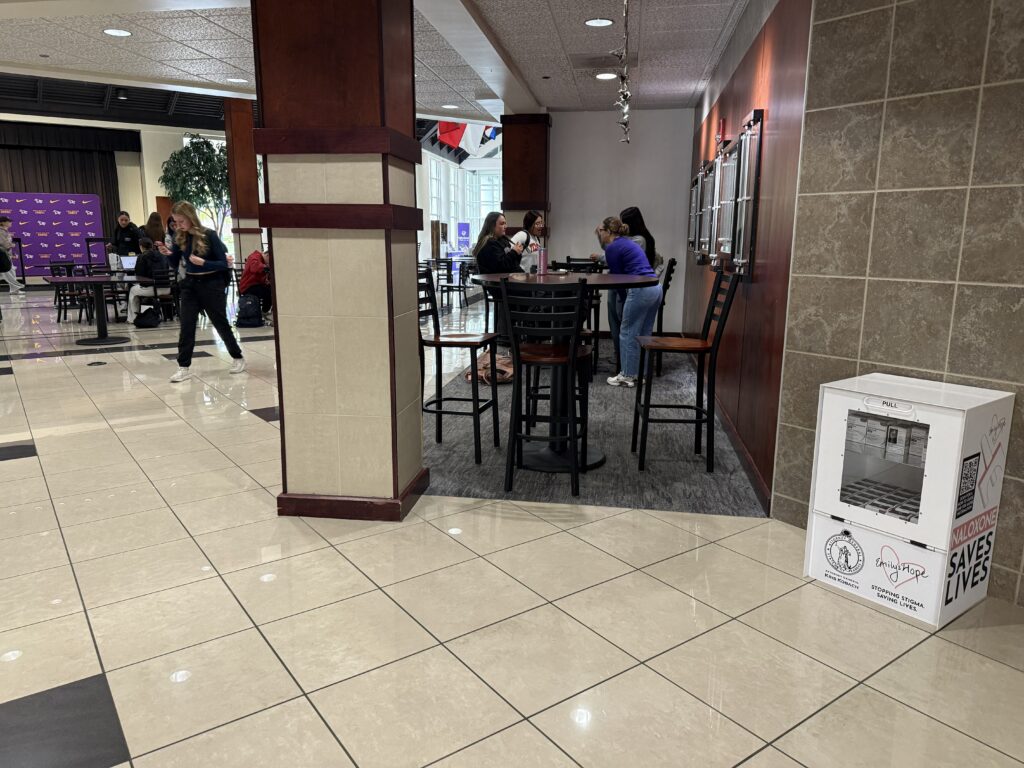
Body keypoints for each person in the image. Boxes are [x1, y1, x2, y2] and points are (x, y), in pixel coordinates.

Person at [157, 201, 245, 382]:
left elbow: (224, 263)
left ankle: (237, 357)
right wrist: (167, 253)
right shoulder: (180, 237)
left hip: (211, 283)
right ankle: (183, 366)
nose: (178, 226)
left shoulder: (209, 235)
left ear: (190, 217)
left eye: (181, 221)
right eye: (175, 222)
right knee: (187, 325)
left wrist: (204, 262)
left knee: (219, 322)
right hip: (190, 284)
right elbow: (175, 263)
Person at [597, 216, 662, 387]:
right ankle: (642, 373)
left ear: (609, 231)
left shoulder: (612, 248)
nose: (599, 233)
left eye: (601, 230)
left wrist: (627, 303)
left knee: (627, 332)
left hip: (641, 289)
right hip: (655, 287)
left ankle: (627, 375)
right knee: (644, 333)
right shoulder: (627, 242)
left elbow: (618, 281)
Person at [126, 237, 171, 324]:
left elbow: (139, 276)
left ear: (141, 247)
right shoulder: (162, 255)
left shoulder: (142, 257)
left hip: (152, 289)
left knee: (132, 290)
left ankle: (133, 319)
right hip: (167, 288)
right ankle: (168, 315)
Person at [620, 206, 662, 271]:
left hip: (637, 278)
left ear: (630, 225)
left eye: (623, 224)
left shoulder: (638, 240)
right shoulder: (646, 236)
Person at [239, 249, 272, 322]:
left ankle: (265, 312)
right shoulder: (255, 256)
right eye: (270, 260)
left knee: (271, 289)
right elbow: (255, 267)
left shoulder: (261, 260)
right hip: (247, 286)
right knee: (269, 292)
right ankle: (264, 313)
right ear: (267, 256)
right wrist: (266, 267)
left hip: (254, 285)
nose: (270, 263)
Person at [0, 216, 25, 294]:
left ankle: (14, 289)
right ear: (3, 222)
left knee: (10, 272)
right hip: (2, 256)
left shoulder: (5, 231)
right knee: (9, 272)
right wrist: (11, 245)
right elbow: (3, 244)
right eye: (8, 221)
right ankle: (16, 287)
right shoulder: (1, 231)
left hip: (6, 255)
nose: (10, 222)